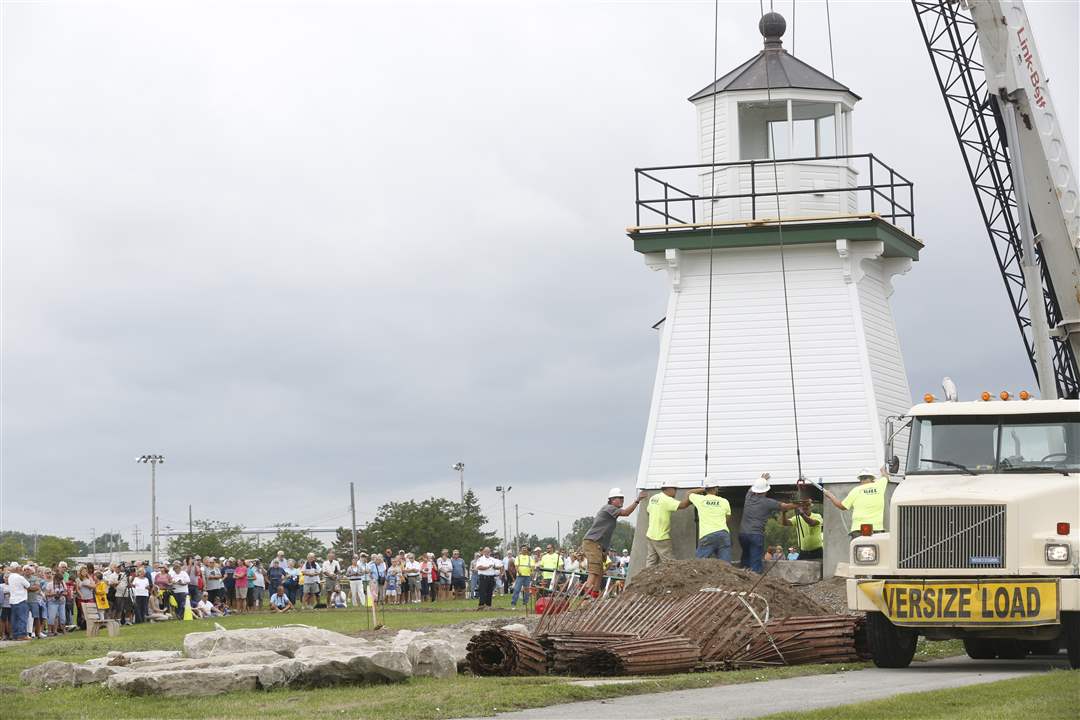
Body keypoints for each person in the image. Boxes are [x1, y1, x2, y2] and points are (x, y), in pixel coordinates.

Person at [581, 487, 646, 593]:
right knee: (595, 569)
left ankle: (594, 595)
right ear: (612, 500)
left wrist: (604, 549)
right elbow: (626, 513)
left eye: (622, 498)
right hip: (592, 542)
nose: (622, 500)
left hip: (597, 544)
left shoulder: (611, 511)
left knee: (600, 571)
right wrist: (637, 500)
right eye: (619, 498)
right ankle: (587, 594)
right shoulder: (609, 508)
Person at [739, 474, 801, 573]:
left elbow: (751, 489)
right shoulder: (768, 502)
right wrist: (798, 505)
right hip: (756, 534)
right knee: (755, 559)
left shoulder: (748, 497)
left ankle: (743, 576)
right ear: (766, 491)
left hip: (742, 534)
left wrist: (761, 479)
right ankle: (755, 578)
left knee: (745, 556)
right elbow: (784, 507)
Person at [821, 466, 890, 538]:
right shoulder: (879, 486)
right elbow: (885, 477)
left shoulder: (856, 490)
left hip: (859, 529)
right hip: (876, 528)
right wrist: (883, 470)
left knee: (858, 548)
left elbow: (842, 506)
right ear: (872, 478)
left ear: (860, 479)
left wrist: (830, 496)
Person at [680, 485, 733, 561]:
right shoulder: (724, 501)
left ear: (706, 489)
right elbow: (727, 518)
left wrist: (702, 489)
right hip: (723, 533)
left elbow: (688, 493)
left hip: (707, 535)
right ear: (716, 489)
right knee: (726, 564)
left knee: (699, 563)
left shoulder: (700, 499)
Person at [645, 484, 684, 567]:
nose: (676, 492)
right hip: (661, 537)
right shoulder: (667, 499)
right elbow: (682, 505)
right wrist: (691, 498)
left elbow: (648, 511)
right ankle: (672, 579)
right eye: (675, 489)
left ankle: (646, 578)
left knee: (651, 561)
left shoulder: (654, 497)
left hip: (650, 534)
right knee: (669, 562)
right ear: (669, 489)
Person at [7, 563, 30, 641]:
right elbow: (28, 585)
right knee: (22, 618)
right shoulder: (20, 577)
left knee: (15, 619)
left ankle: (15, 635)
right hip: (21, 599)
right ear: (16, 568)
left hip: (13, 600)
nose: (20, 569)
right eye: (19, 567)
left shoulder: (10, 577)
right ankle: (22, 635)